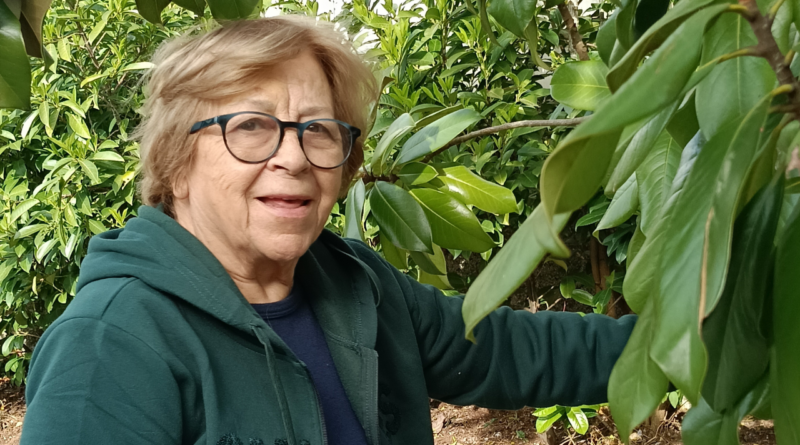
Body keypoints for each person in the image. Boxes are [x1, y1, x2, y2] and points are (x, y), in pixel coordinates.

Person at [20, 16, 635, 445]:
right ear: (175, 164)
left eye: (318, 129)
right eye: (252, 125)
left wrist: (702, 337)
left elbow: (510, 353)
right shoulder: (112, 343)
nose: (292, 157)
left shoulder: (360, 287)